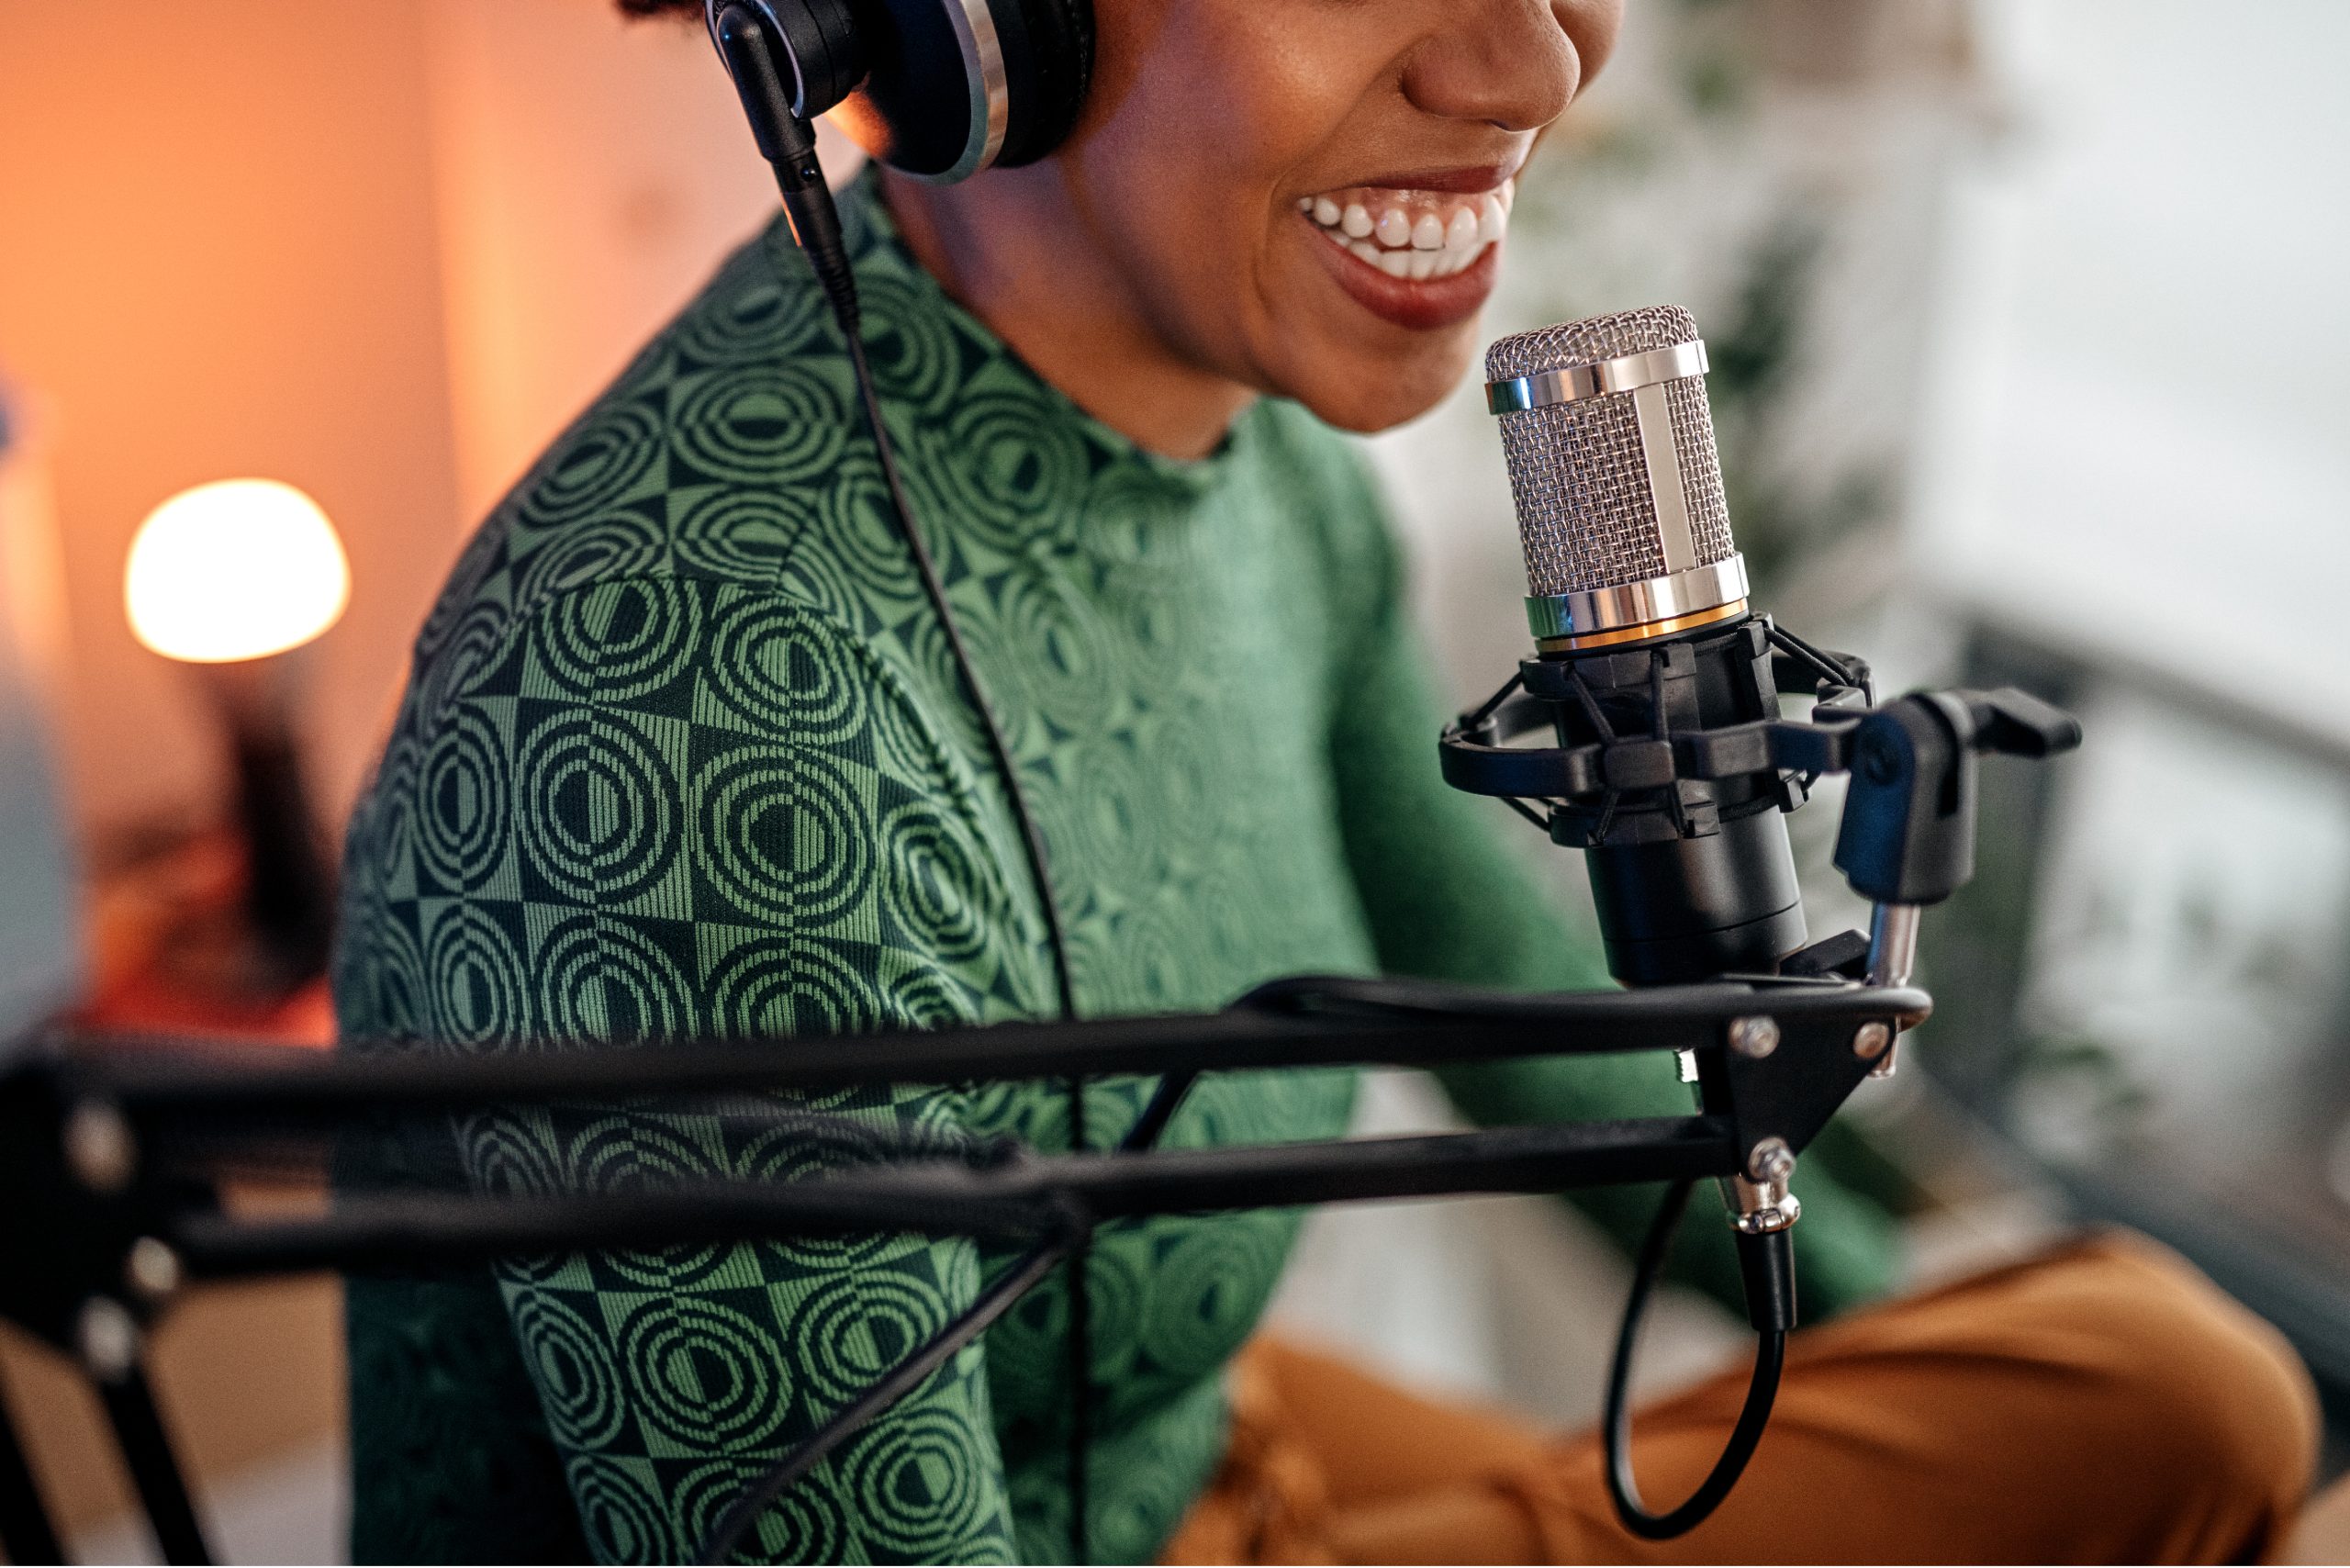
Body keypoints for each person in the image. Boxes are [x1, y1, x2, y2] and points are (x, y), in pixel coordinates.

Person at [330, 0, 2319, 1561]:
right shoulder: (696, 717)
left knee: (2126, 1381)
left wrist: (1915, 1335)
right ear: (973, 20)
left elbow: (1527, 1027)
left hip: (1204, 1451)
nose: (1536, 61)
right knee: (2182, 1398)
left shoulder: (1260, 466)